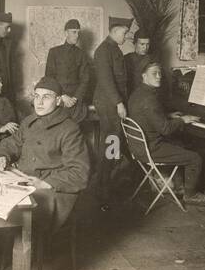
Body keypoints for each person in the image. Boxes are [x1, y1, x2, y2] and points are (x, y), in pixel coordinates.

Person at [0, 76, 92, 270]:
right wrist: (2, 156)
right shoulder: (29, 122)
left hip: (54, 192)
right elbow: (10, 144)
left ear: (58, 101)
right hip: (25, 183)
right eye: (36, 96)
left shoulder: (69, 129)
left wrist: (44, 183)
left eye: (46, 97)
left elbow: (80, 174)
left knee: (24, 226)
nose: (40, 101)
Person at [127, 59, 205, 206]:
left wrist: (168, 115)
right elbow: (166, 129)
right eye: (154, 73)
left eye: (160, 73)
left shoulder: (138, 93)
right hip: (150, 149)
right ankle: (190, 195)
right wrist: (183, 120)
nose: (159, 76)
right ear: (143, 76)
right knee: (195, 158)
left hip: (137, 147)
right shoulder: (150, 99)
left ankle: (180, 186)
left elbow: (148, 116)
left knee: (180, 144)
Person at [92, 22, 130, 209]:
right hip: (109, 105)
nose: (126, 37)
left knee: (112, 148)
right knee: (110, 147)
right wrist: (119, 103)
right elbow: (106, 81)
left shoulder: (113, 48)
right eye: (124, 33)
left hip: (112, 104)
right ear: (114, 32)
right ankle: (102, 194)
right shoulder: (103, 50)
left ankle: (106, 189)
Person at [44, 17, 94, 124]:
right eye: (74, 32)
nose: (77, 36)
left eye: (78, 33)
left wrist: (75, 98)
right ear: (66, 33)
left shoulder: (81, 54)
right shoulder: (54, 52)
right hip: (58, 97)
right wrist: (62, 96)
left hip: (76, 100)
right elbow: (49, 78)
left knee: (74, 128)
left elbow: (85, 79)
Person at [125, 31, 155, 99]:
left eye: (147, 44)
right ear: (135, 44)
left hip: (147, 97)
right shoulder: (126, 59)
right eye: (142, 44)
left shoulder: (153, 60)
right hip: (130, 96)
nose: (145, 47)